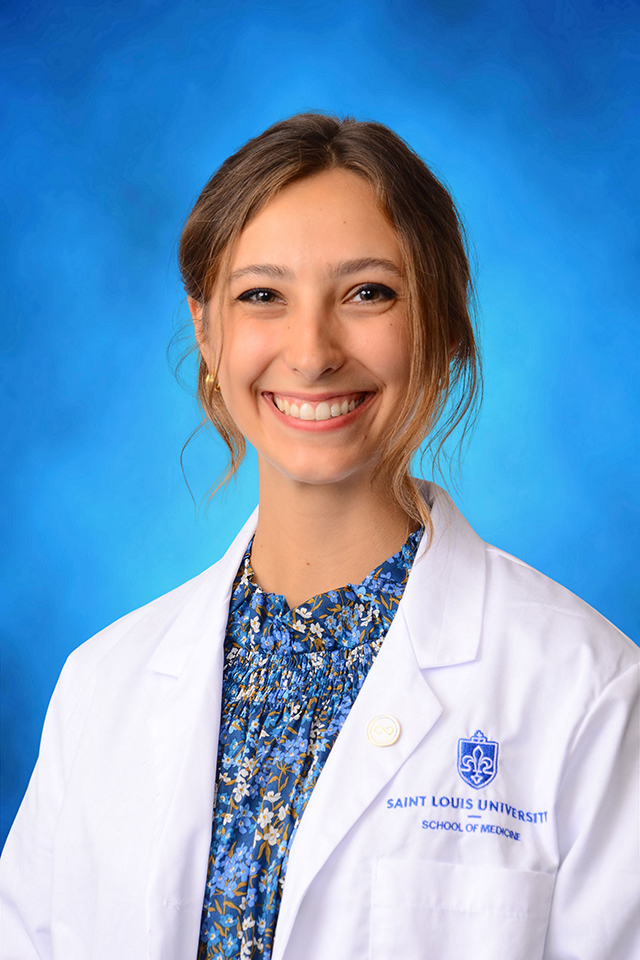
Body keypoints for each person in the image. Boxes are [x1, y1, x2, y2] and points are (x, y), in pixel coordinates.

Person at [0, 113, 638, 960]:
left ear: (443, 328)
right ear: (205, 328)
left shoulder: (585, 690)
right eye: (262, 295)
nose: (311, 353)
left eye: (367, 293)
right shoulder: (99, 689)